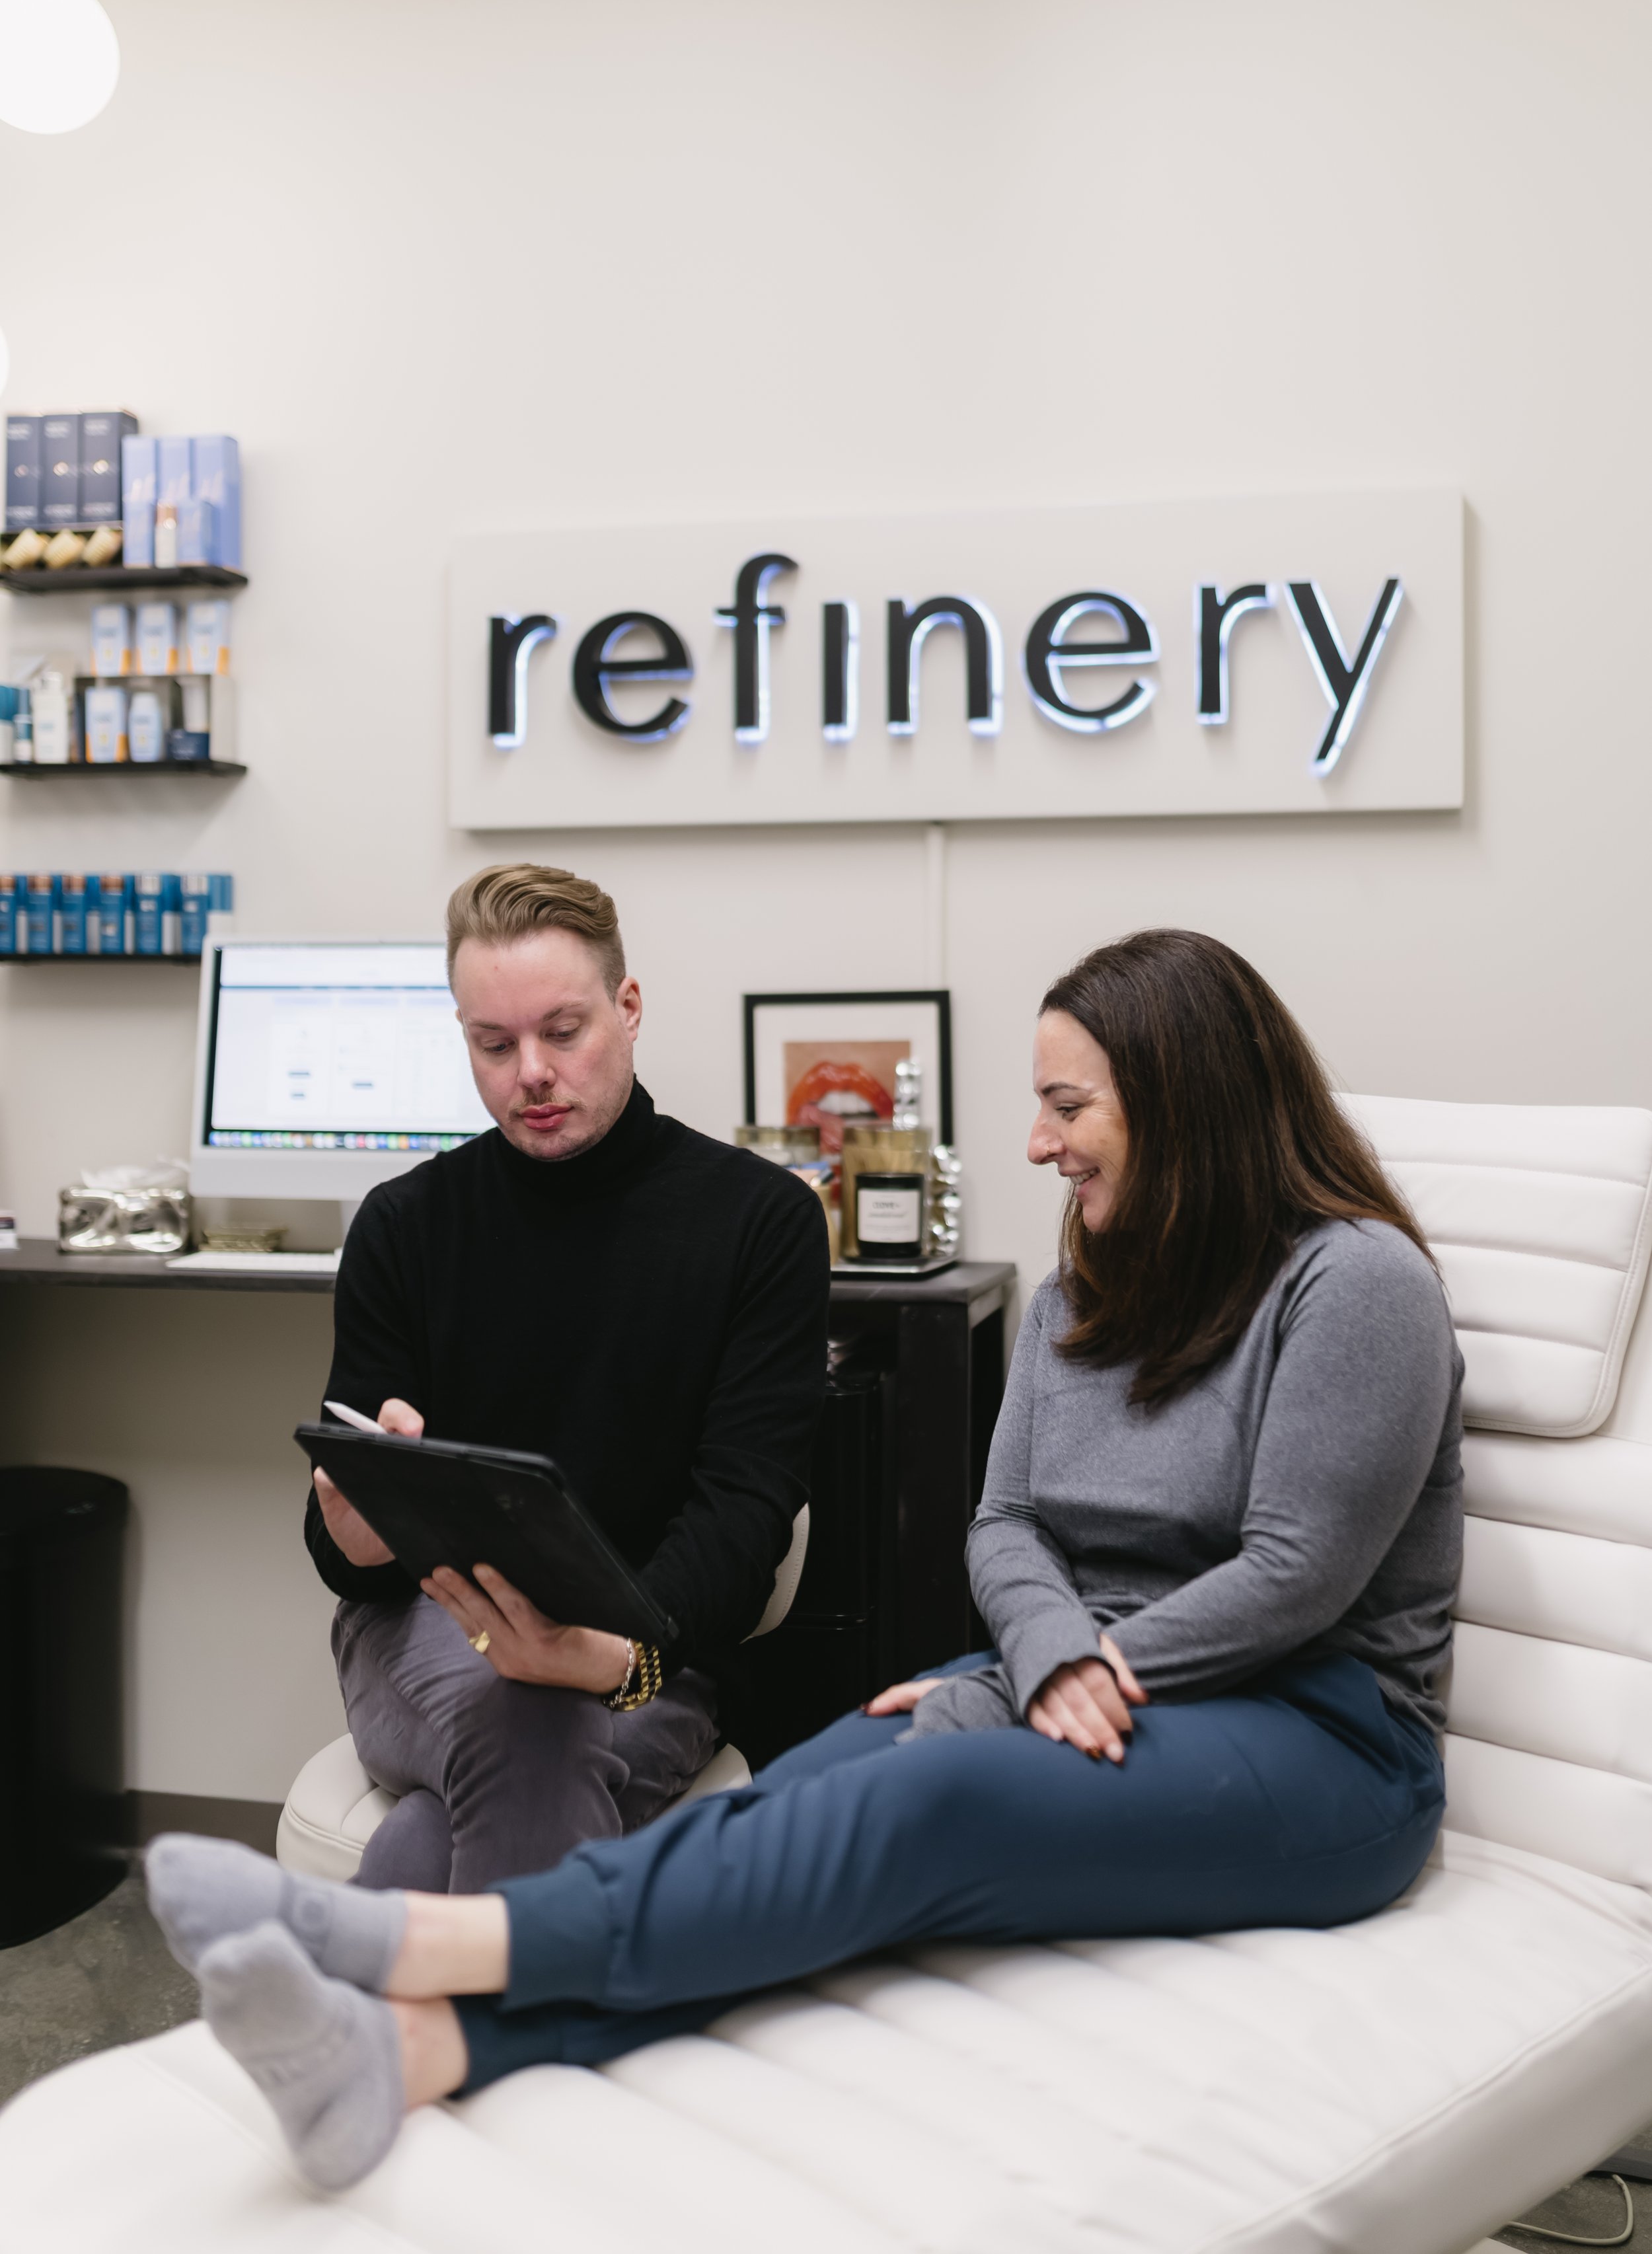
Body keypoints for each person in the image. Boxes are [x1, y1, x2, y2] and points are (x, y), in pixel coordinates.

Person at [149, 928, 1463, 2193]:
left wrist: (1043, 1667)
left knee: (928, 1804)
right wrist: (1032, 1655)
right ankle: (410, 2048)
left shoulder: (1352, 1283)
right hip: (1081, 1676)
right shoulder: (1085, 1286)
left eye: (1066, 1105)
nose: (1033, 1141)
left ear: (1187, 1105)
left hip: (1313, 1731)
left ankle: (411, 1947)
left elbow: (1295, 1572)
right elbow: (1003, 1528)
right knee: (780, 1809)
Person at [299, 861, 829, 1894]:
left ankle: (377, 2031)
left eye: (562, 1031)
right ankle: (546, 2048)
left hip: (650, 1640)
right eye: (492, 1045)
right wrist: (357, 1534)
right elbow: (340, 1545)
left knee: (455, 1812)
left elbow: (745, 1512)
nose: (530, 1071)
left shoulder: (758, 1221)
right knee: (523, 1717)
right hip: (430, 1629)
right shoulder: (405, 1225)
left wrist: (624, 1652)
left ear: (628, 1010)